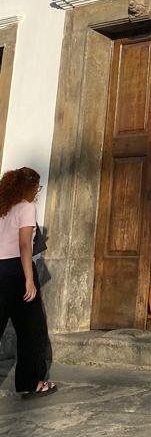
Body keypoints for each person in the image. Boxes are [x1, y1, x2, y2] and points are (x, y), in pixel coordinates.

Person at [0, 167, 56, 398]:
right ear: (30, 187)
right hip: (16, 270)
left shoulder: (3, 208)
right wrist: (29, 280)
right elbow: (25, 244)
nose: (37, 192)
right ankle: (30, 383)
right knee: (32, 331)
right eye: (38, 187)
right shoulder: (26, 207)